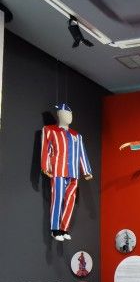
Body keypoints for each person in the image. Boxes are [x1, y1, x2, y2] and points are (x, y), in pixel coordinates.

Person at [41, 103, 94, 241]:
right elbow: (46, 149)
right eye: (65, 114)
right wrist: (46, 167)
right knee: (57, 199)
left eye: (70, 114)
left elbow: (82, 153)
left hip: (74, 172)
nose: (69, 117)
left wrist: (86, 170)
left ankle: (64, 229)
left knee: (70, 201)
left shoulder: (77, 135)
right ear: (59, 115)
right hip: (58, 171)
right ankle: (55, 229)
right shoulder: (50, 130)